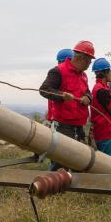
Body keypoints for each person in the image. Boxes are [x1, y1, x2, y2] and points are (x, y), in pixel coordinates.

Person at [39, 40, 95, 170]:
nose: (89, 64)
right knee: (61, 159)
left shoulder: (84, 75)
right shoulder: (58, 71)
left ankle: (69, 185)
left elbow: (88, 92)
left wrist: (87, 97)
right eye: (89, 61)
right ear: (81, 58)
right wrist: (62, 95)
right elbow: (44, 89)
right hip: (63, 125)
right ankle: (49, 186)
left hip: (78, 124)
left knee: (77, 158)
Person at [88, 58, 111, 158]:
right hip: (106, 133)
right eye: (110, 71)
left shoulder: (101, 87)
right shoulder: (101, 90)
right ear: (104, 73)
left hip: (106, 132)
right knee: (110, 166)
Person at [43, 48, 74, 124]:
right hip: (58, 120)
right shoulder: (57, 74)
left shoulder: (57, 75)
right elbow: (44, 90)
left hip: (54, 118)